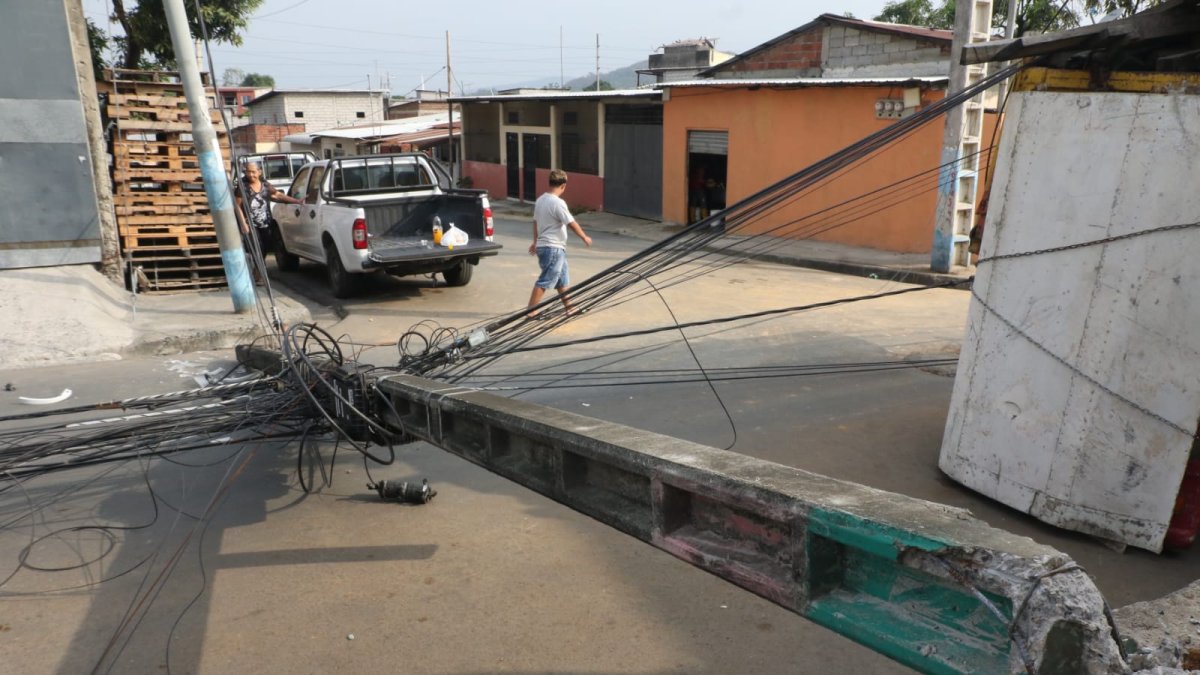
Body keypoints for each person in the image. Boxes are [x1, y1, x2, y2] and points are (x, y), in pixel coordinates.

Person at [528, 169, 591, 317]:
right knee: (546, 279)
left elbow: (535, 222)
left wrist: (535, 241)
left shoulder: (540, 200)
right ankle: (531, 311)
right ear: (563, 185)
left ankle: (569, 307)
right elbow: (571, 222)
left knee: (562, 279)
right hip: (553, 247)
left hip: (548, 246)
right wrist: (584, 237)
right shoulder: (558, 203)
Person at [235, 161, 301, 257]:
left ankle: (258, 270)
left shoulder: (265, 185)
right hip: (250, 225)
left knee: (265, 249)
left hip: (265, 224)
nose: (250, 175)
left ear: (259, 172)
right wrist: (243, 224)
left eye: (253, 172)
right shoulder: (243, 187)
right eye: (248, 172)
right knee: (257, 251)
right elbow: (237, 206)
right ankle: (257, 271)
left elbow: (278, 195)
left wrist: (296, 201)